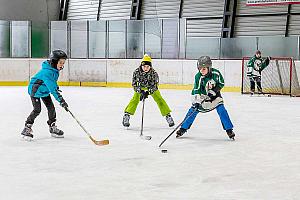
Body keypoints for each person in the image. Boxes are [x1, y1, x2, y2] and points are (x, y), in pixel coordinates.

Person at [176, 56, 235, 140]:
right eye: (200, 68)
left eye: (204, 69)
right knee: (193, 110)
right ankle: (183, 128)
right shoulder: (198, 76)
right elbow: (196, 90)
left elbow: (221, 83)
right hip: (202, 96)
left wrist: (214, 91)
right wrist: (197, 101)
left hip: (215, 96)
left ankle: (229, 129)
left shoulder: (216, 73)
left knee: (222, 110)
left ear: (209, 68)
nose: (201, 71)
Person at [21, 50, 69, 140]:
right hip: (35, 90)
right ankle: (27, 127)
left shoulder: (54, 70)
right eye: (61, 62)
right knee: (37, 110)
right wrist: (61, 101)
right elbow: (52, 89)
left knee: (51, 108)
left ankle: (52, 127)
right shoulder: (47, 72)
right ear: (54, 62)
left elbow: (52, 83)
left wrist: (55, 87)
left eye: (63, 63)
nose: (62, 65)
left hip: (44, 90)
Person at [122, 54, 175, 128]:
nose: (146, 68)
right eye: (144, 66)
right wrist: (140, 91)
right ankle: (126, 115)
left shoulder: (154, 73)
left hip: (151, 88)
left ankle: (168, 116)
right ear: (141, 66)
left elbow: (155, 85)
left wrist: (148, 92)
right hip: (140, 88)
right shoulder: (136, 72)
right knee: (135, 99)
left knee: (159, 99)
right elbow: (134, 84)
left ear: (150, 66)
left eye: (147, 66)